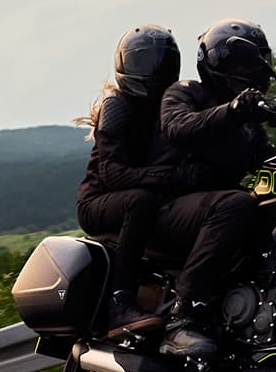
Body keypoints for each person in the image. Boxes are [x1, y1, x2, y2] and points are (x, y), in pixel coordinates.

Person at [148, 19, 276, 358]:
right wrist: (232, 111)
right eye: (247, 62)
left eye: (260, 61)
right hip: (167, 207)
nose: (256, 70)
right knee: (235, 205)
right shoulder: (187, 92)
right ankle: (181, 320)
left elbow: (268, 161)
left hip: (207, 211)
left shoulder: (247, 121)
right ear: (221, 62)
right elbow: (177, 126)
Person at [75, 25, 195, 336]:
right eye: (144, 61)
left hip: (138, 194)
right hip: (97, 201)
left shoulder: (167, 104)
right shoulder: (117, 107)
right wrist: (166, 177)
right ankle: (120, 302)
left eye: (161, 60)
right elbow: (113, 175)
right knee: (140, 201)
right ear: (126, 65)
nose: (153, 68)